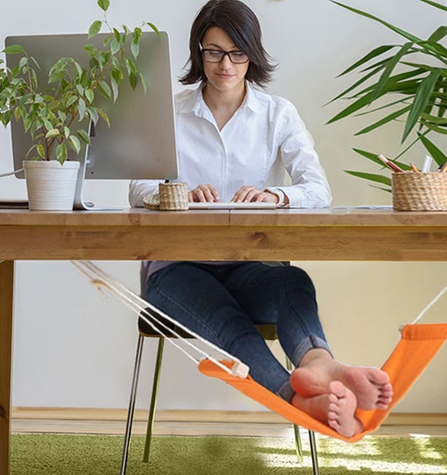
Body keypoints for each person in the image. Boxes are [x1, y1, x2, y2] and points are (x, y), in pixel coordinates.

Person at [129, 0, 391, 438]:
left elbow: (318, 190)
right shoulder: (168, 113)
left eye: (237, 52)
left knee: (293, 283)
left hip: (248, 266)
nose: (225, 64)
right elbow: (137, 189)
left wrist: (276, 194)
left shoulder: (277, 114)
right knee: (230, 322)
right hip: (176, 270)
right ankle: (298, 398)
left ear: (252, 54)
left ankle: (319, 367)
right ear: (199, 53)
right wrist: (178, 193)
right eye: (213, 52)